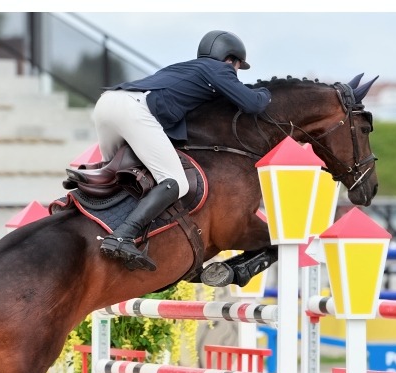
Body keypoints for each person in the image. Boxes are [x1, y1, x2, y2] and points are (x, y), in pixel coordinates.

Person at [93, 30, 271, 271]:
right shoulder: (219, 69)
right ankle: (122, 236)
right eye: (238, 66)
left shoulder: (184, 68)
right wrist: (267, 93)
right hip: (132, 111)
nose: (236, 72)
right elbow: (252, 103)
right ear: (230, 59)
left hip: (107, 103)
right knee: (176, 181)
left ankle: (95, 225)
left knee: (116, 177)